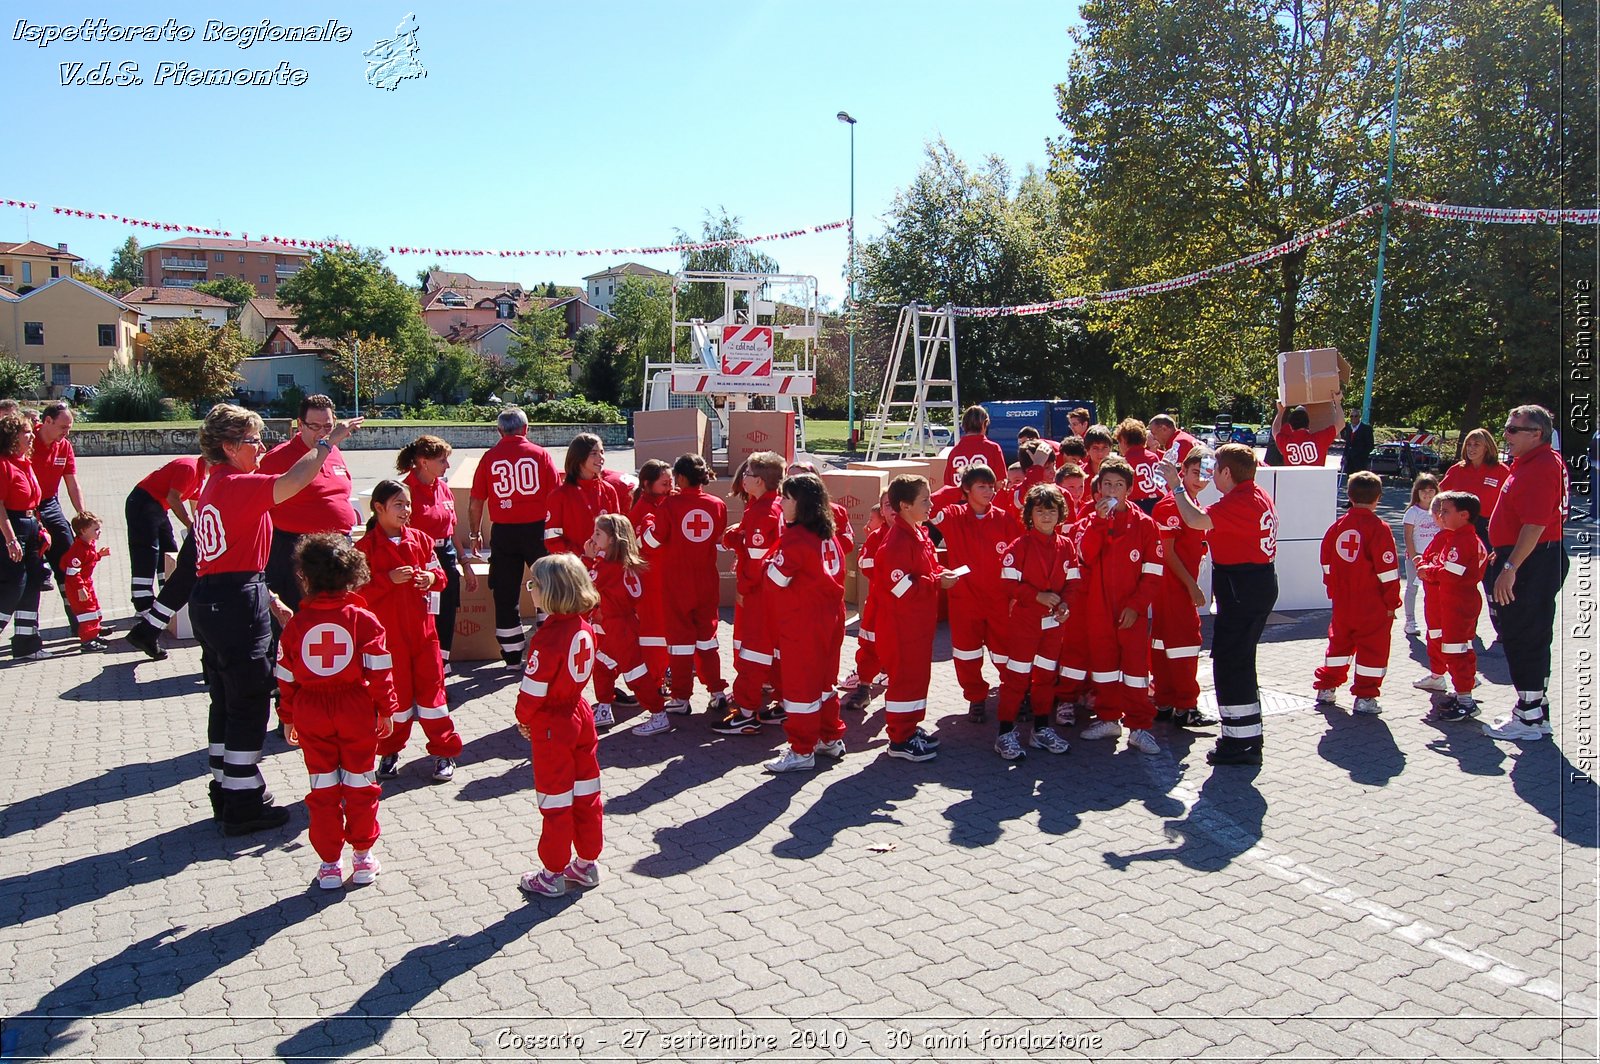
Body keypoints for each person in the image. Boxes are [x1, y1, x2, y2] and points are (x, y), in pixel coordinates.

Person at [189, 403, 360, 835]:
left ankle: (227, 787)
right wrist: (326, 443)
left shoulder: (216, 483)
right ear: (228, 447)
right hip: (232, 600)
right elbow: (293, 482)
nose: (260, 446)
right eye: (251, 440)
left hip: (218, 595)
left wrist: (265, 595)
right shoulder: (235, 484)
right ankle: (244, 803)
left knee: (225, 698)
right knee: (247, 701)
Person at [276, 533, 399, 890]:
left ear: (306, 577)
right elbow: (379, 670)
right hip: (355, 708)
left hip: (311, 709)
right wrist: (385, 708)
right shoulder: (363, 620)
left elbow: (285, 676)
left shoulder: (296, 626)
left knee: (323, 788)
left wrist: (287, 717)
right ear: (351, 574)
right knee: (361, 784)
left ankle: (330, 864)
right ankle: (362, 857)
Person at [1156, 444, 1278, 765]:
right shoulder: (1255, 495)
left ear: (1227, 472)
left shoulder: (1239, 501)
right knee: (1239, 662)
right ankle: (1247, 735)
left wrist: (1176, 486)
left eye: (1215, 469)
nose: (1211, 475)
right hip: (1252, 584)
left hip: (1243, 587)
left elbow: (1196, 520)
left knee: (1230, 664)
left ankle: (1239, 742)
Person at [357, 479, 462, 784]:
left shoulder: (421, 539)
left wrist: (429, 578)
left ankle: (444, 752)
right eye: (399, 505)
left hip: (423, 635)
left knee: (434, 699)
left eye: (408, 504)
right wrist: (388, 579)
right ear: (379, 508)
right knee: (394, 701)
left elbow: (441, 577)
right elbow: (356, 595)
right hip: (387, 641)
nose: (407, 510)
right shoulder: (363, 549)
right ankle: (388, 751)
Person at [514, 554, 604, 897]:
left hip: (553, 722)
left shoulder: (548, 637)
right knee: (586, 794)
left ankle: (552, 873)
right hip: (580, 713)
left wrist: (524, 719)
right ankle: (586, 863)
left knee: (555, 801)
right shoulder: (584, 626)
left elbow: (533, 691)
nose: (530, 590)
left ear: (549, 590)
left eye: (533, 584)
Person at [1482, 404, 1569, 741]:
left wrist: (1510, 566)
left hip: (1532, 562)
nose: (1506, 434)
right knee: (1527, 634)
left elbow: (1534, 525)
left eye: (1514, 430)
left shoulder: (1541, 466)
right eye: (1506, 427)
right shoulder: (1529, 463)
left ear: (1537, 434)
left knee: (1524, 636)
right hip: (1529, 558)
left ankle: (1529, 718)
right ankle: (1533, 709)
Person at [761, 473, 851, 773]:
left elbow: (775, 581)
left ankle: (801, 750)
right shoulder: (828, 534)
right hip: (831, 618)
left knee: (800, 689)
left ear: (801, 504)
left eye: (786, 497)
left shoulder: (796, 538)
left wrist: (765, 565)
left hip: (803, 623)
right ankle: (829, 737)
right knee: (825, 684)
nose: (781, 502)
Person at [1075, 458, 1165, 755]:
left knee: (1136, 671)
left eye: (1119, 485)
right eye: (1107, 484)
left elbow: (1153, 572)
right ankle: (1108, 718)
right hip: (1098, 607)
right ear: (1098, 489)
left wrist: (1136, 606)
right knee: (1103, 668)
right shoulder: (1091, 521)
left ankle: (1140, 727)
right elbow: (1086, 556)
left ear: (1129, 489)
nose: (1112, 490)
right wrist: (1099, 523)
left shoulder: (1146, 525)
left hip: (1131, 611)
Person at [873, 474, 957, 761]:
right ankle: (899, 738)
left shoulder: (918, 533)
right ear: (906, 505)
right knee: (904, 681)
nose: (931, 504)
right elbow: (900, 587)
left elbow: (923, 572)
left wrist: (937, 576)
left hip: (917, 625)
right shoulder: (896, 542)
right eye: (925, 500)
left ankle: (909, 727)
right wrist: (936, 582)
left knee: (918, 678)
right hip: (901, 627)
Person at [467, 408, 560, 666]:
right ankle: (549, 644)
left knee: (505, 592)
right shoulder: (541, 455)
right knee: (548, 586)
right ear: (526, 429)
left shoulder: (489, 458)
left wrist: (474, 533)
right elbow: (557, 495)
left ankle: (512, 655)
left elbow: (476, 502)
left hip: (504, 532)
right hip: (537, 530)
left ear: (499, 431)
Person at [994, 483, 1080, 759]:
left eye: (1051, 511)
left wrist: (1065, 605)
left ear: (1060, 514)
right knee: (1016, 678)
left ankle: (1041, 730)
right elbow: (1007, 584)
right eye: (1040, 511)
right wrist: (1036, 596)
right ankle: (1005, 733)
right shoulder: (1018, 546)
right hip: (1025, 623)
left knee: (1045, 678)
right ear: (1030, 514)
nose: (1046, 517)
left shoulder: (1066, 545)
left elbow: (1074, 583)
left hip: (1054, 625)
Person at [931, 463, 1022, 722]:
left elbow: (1017, 557)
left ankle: (1016, 693)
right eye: (981, 486)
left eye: (991, 486)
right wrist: (956, 487)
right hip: (965, 601)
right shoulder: (954, 515)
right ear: (967, 489)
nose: (989, 491)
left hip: (998, 600)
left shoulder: (1004, 519)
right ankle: (976, 698)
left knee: (1006, 652)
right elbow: (931, 509)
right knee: (966, 654)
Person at [641, 454, 729, 715]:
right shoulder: (717, 504)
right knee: (708, 639)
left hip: (677, 583)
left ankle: (681, 697)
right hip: (706, 581)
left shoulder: (669, 505)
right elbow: (717, 540)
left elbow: (652, 542)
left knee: (679, 642)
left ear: (680, 477)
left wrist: (647, 523)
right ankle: (716, 691)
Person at [259, 394, 359, 614]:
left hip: (336, 548)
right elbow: (260, 506)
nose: (323, 432)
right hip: (295, 551)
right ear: (300, 425)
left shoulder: (333, 453)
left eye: (328, 426)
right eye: (315, 426)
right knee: (299, 620)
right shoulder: (278, 458)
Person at [1311, 472, 1401, 715]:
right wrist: (1392, 601)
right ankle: (1365, 697)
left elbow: (1326, 563)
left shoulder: (1337, 526)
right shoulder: (1379, 529)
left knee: (1339, 644)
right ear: (1378, 498)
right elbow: (1388, 571)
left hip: (1343, 602)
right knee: (1373, 649)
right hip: (1372, 604)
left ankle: (1327, 688)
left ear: (1349, 496)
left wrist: (1333, 589)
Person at [717, 453, 787, 735]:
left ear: (758, 481)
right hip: (773, 591)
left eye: (746, 474)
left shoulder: (761, 512)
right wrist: (739, 537)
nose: (742, 478)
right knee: (773, 651)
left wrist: (745, 590)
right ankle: (784, 702)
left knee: (753, 653)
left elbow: (757, 561)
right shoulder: (776, 505)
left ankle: (746, 712)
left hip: (759, 594)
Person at [399, 435, 478, 673]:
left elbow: (451, 529)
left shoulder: (443, 488)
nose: (448, 466)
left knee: (446, 614)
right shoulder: (406, 490)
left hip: (446, 556)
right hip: (419, 559)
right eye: (442, 460)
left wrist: (465, 563)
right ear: (423, 462)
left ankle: (441, 667)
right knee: (423, 616)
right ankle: (419, 669)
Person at [584, 512, 667, 735]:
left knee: (635, 675)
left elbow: (584, 584)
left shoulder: (606, 567)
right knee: (602, 665)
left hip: (619, 628)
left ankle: (659, 714)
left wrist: (587, 558)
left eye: (598, 533)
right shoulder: (621, 563)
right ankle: (603, 708)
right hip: (619, 625)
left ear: (612, 539)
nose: (592, 537)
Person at [1151, 447, 1216, 727]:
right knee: (1186, 643)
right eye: (1195, 472)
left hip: (1173, 585)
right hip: (1173, 586)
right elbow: (1167, 553)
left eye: (1207, 473)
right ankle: (1186, 706)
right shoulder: (1171, 505)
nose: (1201, 479)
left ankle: (1166, 701)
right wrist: (1192, 587)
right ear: (1182, 471)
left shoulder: (1190, 502)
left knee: (1165, 643)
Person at [1416, 491, 1489, 721]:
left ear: (1464, 515)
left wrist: (1427, 571)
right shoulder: (1458, 537)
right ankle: (1461, 694)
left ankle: (1466, 701)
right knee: (1455, 650)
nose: (1440, 515)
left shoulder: (1462, 540)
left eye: (1446, 511)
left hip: (1458, 603)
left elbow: (1450, 573)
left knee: (1456, 652)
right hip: (1454, 602)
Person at [31, 403, 88, 630]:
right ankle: (28, 630)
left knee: (68, 558)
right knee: (30, 567)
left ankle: (80, 622)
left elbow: (72, 483)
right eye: (63, 427)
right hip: (25, 508)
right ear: (47, 421)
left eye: (69, 428)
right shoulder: (25, 440)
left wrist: (82, 515)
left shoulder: (63, 446)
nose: (66, 432)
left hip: (50, 504)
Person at [124, 454, 203, 617]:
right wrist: (189, 525)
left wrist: (199, 527)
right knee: (146, 552)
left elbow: (195, 503)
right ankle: (143, 604)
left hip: (158, 507)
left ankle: (165, 600)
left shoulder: (200, 476)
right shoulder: (189, 467)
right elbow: (173, 498)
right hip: (143, 502)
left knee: (169, 549)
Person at [0, 414, 51, 660]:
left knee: (33, 582)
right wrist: (10, 539)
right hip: (12, 526)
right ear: (12, 436)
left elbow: (34, 501)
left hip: (30, 525)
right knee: (14, 585)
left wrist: (40, 529)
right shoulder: (3, 464)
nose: (32, 437)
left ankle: (27, 644)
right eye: (27, 432)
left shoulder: (25, 462)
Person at [839, 496, 889, 711]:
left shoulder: (917, 534)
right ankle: (865, 686)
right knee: (869, 644)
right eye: (887, 504)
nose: (892, 509)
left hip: (906, 608)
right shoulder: (877, 536)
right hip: (879, 603)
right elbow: (865, 564)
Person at [627, 460, 674, 683]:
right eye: (664, 483)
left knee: (664, 631)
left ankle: (663, 672)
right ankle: (656, 679)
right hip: (650, 584)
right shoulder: (642, 512)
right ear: (647, 484)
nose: (670, 488)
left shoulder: (663, 504)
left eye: (671, 482)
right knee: (653, 634)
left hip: (664, 581)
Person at [544, 433, 624, 556]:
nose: (601, 457)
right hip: (573, 569)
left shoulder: (609, 491)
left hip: (606, 566)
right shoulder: (559, 496)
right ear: (579, 457)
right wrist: (582, 557)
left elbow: (618, 532)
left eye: (602, 452)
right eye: (594, 453)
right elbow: (552, 541)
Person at [1439, 428, 1504, 548]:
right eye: (1468, 444)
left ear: (1487, 447)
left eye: (1476, 444)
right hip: (1459, 526)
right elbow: (1439, 497)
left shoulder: (1501, 470)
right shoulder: (1457, 470)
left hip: (1488, 529)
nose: (1471, 448)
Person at [60, 512, 111, 651]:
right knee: (86, 612)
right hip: (78, 586)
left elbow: (89, 559)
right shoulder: (78, 550)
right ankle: (87, 640)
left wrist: (99, 555)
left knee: (94, 608)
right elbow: (72, 573)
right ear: (83, 531)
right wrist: (80, 588)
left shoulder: (88, 544)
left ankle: (94, 631)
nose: (99, 532)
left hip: (86, 583)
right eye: (95, 529)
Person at [1401, 474, 1441, 637]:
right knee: (1412, 588)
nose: (1427, 495)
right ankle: (1410, 621)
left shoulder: (1439, 511)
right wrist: (1415, 557)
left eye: (1431, 491)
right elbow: (1408, 537)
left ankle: (1435, 622)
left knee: (1434, 591)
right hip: (1416, 558)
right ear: (1417, 492)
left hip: (1435, 559)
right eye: (1423, 491)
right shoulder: (1412, 512)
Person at [944, 405, 1007, 488]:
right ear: (985, 423)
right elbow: (1000, 483)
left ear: (963, 425)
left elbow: (948, 485)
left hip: (958, 500)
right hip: (986, 500)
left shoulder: (954, 451)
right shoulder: (993, 448)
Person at [1272, 401, 1344, 467]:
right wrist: (1337, 402)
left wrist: (1280, 411)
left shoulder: (1286, 443)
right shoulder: (1319, 439)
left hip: (1292, 480)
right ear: (1308, 424)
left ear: (1290, 426)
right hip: (1316, 479)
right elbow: (1341, 424)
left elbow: (1275, 431)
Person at [1115, 418, 1164, 513]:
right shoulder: (1154, 457)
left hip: (1138, 505)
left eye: (1119, 442)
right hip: (1159, 502)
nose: (1119, 446)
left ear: (1124, 440)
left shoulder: (1125, 461)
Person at [1339, 409, 1375, 476]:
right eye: (1351, 416)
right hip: (1349, 461)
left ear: (1359, 417)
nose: (1353, 418)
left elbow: (1370, 446)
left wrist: (1362, 456)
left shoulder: (1366, 429)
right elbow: (1348, 444)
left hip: (1360, 462)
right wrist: (1344, 456)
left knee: (1360, 481)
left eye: (1356, 416)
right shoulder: (1348, 428)